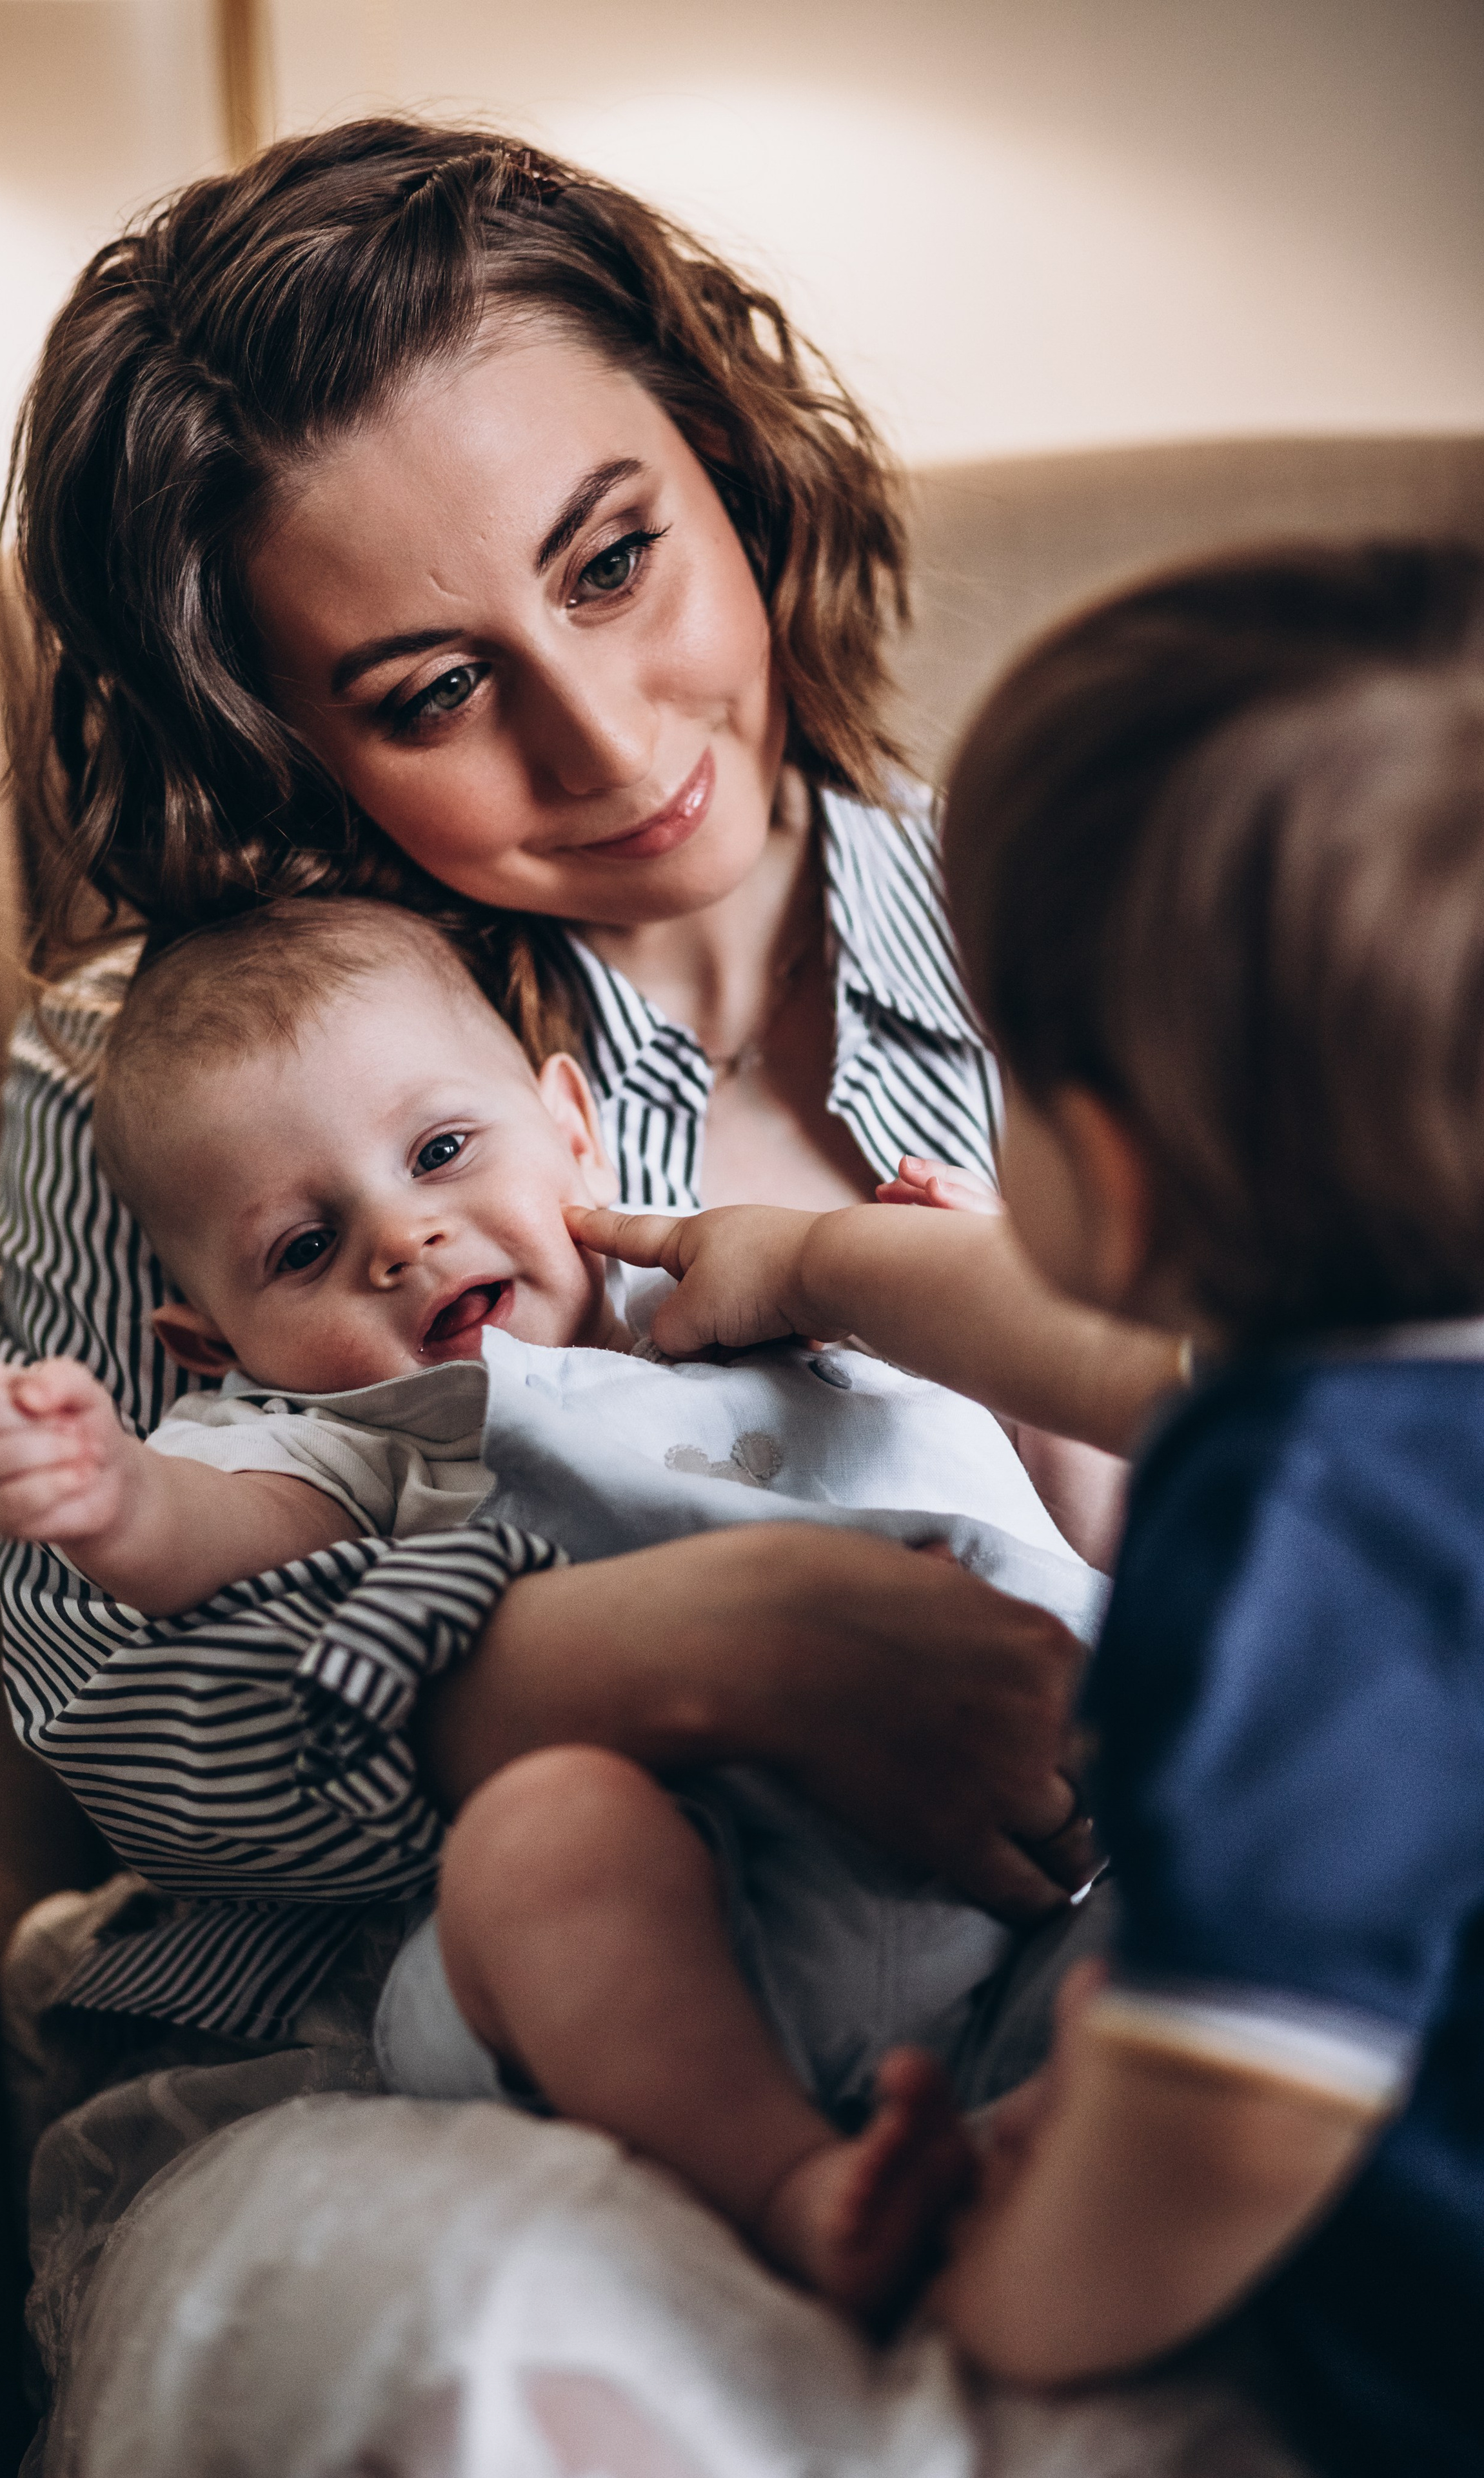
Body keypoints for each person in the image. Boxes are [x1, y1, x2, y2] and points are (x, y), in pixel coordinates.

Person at [0, 115, 1181, 2058]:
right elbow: (126, 1719)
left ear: (729, 457)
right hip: (498, 2069)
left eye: (613, 560)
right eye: (430, 691)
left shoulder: (1117, 938)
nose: (607, 742)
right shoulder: (168, 1074)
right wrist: (677, 1656)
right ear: (285, 741)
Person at [579, 540, 1484, 2474]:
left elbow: (1238, 2104)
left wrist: (1010, 2300)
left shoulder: (1301, 1521)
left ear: (1110, 1177)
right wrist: (815, 1261)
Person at [0, 893, 1100, 2326]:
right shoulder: (358, 1428)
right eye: (301, 1250)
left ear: (568, 1124)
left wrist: (970, 1281)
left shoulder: (763, 1284)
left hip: (1051, 1866)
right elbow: (215, 1539)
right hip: (708, 1939)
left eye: (437, 1151)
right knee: (540, 1841)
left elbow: (1100, 1472)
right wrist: (112, 1494)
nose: (401, 1236)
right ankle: (793, 2189)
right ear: (215, 1350)